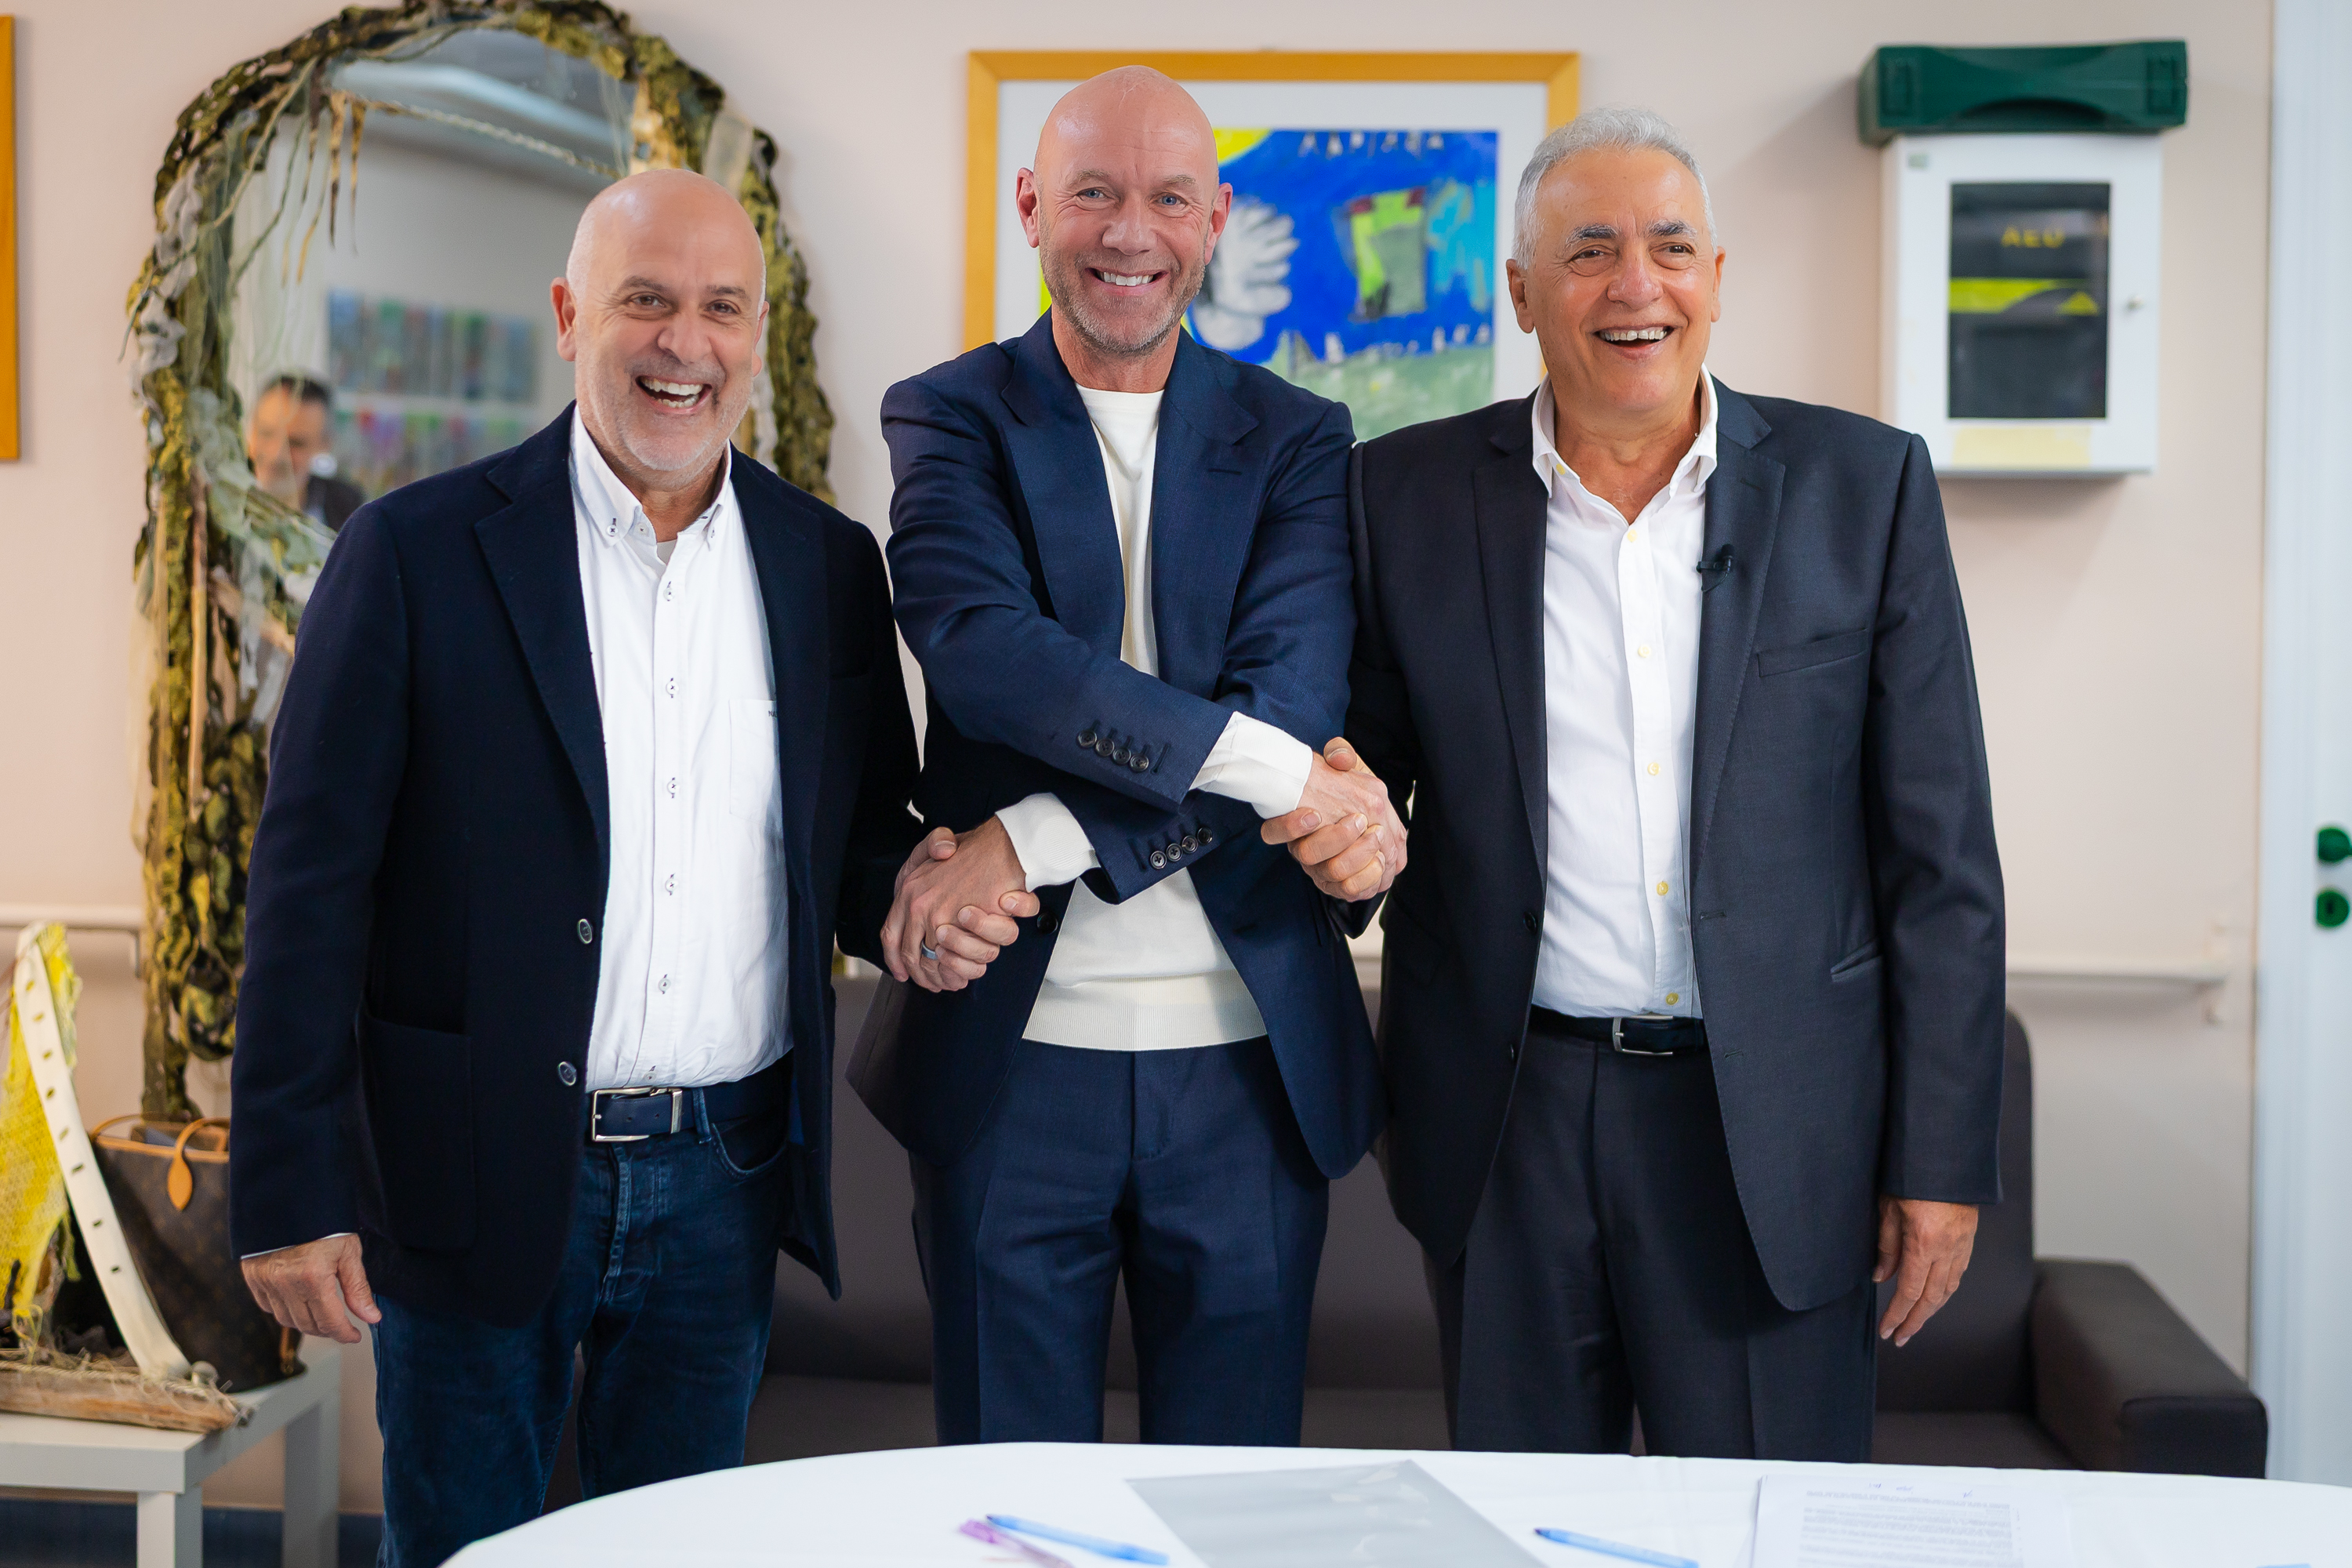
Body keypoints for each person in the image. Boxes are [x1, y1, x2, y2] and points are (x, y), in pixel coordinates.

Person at [227, 170, 1006, 1567]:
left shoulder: (827, 565)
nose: (682, 343)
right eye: (646, 299)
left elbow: (850, 841)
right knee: (462, 1550)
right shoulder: (411, 553)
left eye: (721, 308)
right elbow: (306, 889)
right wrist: (289, 1190)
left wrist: (916, 898)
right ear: (571, 313)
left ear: (755, 335)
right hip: (476, 1168)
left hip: (727, 1173)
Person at [1272, 107, 2005, 1460]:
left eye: (1670, 248)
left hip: (1774, 1122)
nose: (1636, 285)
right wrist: (1335, 845)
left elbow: (1942, 860)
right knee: (1525, 1526)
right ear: (1521, 292)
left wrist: (1942, 1161)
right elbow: (1358, 787)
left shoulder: (1864, 488)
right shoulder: (1401, 496)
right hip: (1506, 1118)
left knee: (1767, 1530)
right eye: (1590, 250)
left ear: (1716, 278)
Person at [861, 66, 1403, 1447]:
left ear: (1214, 218)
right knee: (1005, 1509)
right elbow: (988, 656)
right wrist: (1283, 778)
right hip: (1009, 1059)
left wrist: (1029, 839)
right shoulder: (950, 414)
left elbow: (1289, 701)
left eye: (1167, 198)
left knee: (1229, 1509)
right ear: (1032, 205)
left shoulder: (1300, 438)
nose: (1128, 232)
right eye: (1093, 193)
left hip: (1249, 1065)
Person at [245, 372, 365, 530]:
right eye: (266, 434)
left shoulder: (346, 509)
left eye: (295, 443)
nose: (277, 455)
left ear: (324, 444)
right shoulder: (219, 492)